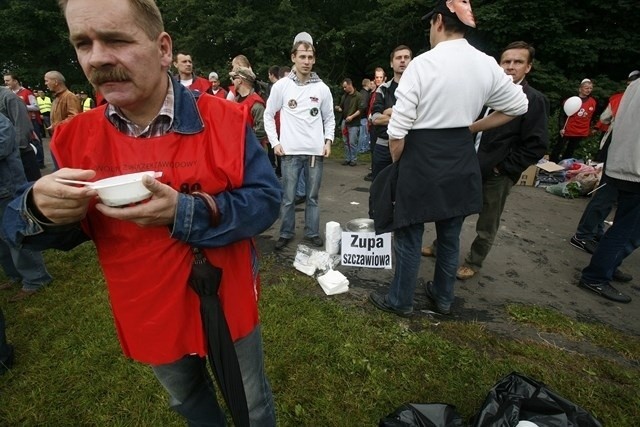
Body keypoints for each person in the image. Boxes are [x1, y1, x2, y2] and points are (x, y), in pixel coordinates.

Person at [3, 0, 280, 424]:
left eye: (116, 39)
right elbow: (47, 229)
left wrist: (184, 212)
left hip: (225, 295)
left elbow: (265, 201)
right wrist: (38, 208)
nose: (98, 58)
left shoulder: (225, 118)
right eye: (84, 43)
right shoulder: (74, 139)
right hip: (144, 304)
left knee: (252, 404)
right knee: (187, 399)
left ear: (163, 48)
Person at [368, 0, 528, 317]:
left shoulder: (423, 64)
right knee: (450, 235)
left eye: (431, 24)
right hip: (460, 153)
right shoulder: (486, 64)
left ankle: (400, 301)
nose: (430, 29)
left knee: (410, 233)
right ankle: (442, 298)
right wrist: (471, 127)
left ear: (438, 21)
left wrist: (400, 162)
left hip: (421, 154)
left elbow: (398, 126)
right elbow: (518, 105)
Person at [455, 41, 549, 280]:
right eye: (506, 61)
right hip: (468, 166)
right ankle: (440, 246)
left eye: (518, 62)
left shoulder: (532, 99)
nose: (510, 67)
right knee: (453, 210)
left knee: (487, 221)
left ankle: (474, 262)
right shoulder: (487, 92)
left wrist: (503, 168)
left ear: (528, 67)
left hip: (496, 174)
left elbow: (536, 145)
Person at [264, 31, 335, 250]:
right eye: (302, 56)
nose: (306, 61)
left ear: (314, 59)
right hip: (289, 153)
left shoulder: (322, 88)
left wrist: (328, 141)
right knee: (288, 197)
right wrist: (275, 142)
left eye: (310, 57)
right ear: (293, 57)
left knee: (312, 197)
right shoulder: (282, 86)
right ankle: (285, 233)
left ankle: (312, 233)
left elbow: (330, 117)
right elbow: (268, 114)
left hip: (315, 152)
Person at [578, 78, 640, 304]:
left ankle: (607, 266)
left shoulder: (634, 86)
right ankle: (597, 275)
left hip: (621, 161)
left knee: (625, 226)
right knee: (628, 229)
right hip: (635, 168)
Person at [570, 70, 640, 256]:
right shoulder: (623, 98)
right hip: (619, 154)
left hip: (619, 152)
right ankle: (584, 234)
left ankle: (593, 232)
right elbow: (603, 119)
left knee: (608, 197)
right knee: (606, 196)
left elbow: (604, 119)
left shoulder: (620, 98)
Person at [0, 107, 52, 302]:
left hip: (7, 188)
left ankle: (36, 278)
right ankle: (14, 274)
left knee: (15, 233)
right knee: (2, 239)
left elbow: (3, 146)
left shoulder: (1, 121)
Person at [370, 45, 412, 180]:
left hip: (411, 146)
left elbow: (422, 117)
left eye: (406, 57)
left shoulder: (419, 88)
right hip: (383, 146)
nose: (402, 61)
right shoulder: (383, 89)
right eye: (398, 57)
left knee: (406, 191)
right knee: (379, 190)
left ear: (411, 61)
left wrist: (390, 112)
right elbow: (375, 118)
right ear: (391, 63)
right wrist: (406, 115)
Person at [0, 86, 42, 182]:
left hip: (22, 154)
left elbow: (22, 125)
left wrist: (19, 150)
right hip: (10, 160)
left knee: (30, 189)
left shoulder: (9, 97)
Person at [550, 78, 597, 162]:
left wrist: (591, 128)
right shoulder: (571, 100)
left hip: (580, 131)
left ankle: (564, 165)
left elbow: (591, 117)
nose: (589, 90)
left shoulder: (593, 102)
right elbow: (562, 115)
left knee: (570, 150)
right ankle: (551, 164)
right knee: (558, 148)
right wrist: (561, 127)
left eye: (590, 88)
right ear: (580, 89)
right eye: (586, 88)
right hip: (567, 129)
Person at [230, 67, 267, 146]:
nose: (232, 81)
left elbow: (261, 129)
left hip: (252, 150)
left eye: (233, 78)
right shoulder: (235, 100)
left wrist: (246, 142)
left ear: (240, 80)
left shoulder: (256, 103)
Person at [335, 78, 362, 166]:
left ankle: (353, 159)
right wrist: (338, 108)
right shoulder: (344, 96)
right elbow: (341, 107)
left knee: (352, 142)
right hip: (344, 121)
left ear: (350, 85)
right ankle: (347, 158)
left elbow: (360, 109)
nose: (344, 89)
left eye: (345, 87)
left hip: (354, 123)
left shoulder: (358, 96)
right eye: (343, 87)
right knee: (345, 141)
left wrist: (352, 116)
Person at [357, 78, 372, 154]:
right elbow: (364, 105)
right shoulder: (365, 94)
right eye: (369, 83)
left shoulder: (361, 92)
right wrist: (367, 114)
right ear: (366, 84)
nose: (370, 85)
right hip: (363, 116)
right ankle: (361, 148)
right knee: (363, 133)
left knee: (362, 133)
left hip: (360, 116)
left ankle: (362, 148)